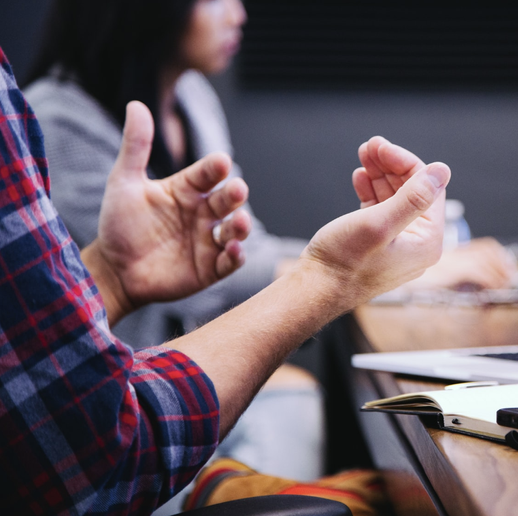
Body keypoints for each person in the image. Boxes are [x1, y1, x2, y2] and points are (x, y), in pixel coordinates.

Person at [0, 44, 451, 514]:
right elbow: (98, 454)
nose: (237, 12)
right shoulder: (57, 115)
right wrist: (333, 277)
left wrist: (111, 278)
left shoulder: (193, 96)